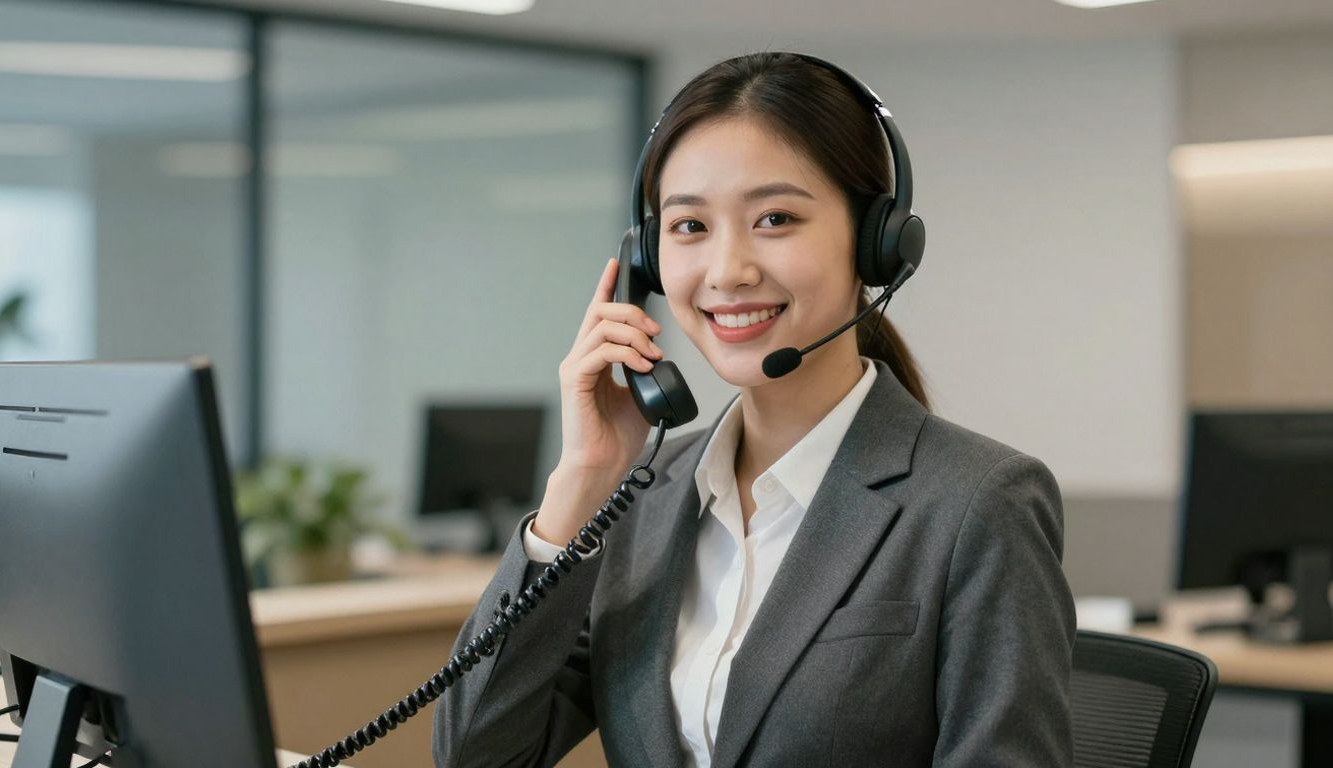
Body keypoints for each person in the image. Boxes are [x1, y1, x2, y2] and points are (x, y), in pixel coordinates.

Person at [432, 51, 1075, 768]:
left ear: (876, 244)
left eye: (775, 218)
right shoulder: (644, 497)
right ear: (645, 261)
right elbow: (476, 756)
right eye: (688, 227)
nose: (728, 271)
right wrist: (582, 479)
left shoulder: (978, 503)